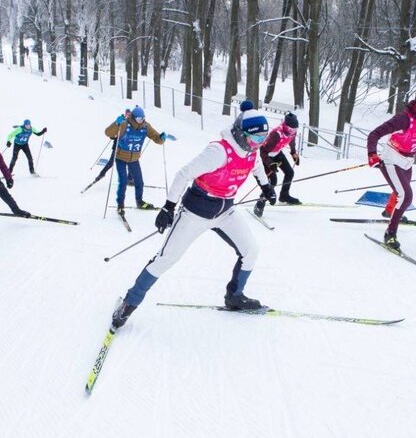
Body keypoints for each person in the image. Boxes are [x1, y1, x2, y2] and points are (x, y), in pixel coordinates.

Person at [109, 110, 275, 330]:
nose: (258, 144)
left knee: (251, 251)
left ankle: (235, 296)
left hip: (225, 212)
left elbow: (256, 166)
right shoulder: (219, 151)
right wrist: (168, 207)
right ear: (240, 133)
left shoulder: (251, 151)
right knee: (165, 259)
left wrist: (265, 185)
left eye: (262, 139)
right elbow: (184, 174)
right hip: (195, 212)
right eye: (255, 139)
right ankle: (128, 304)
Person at [366, 86, 416, 250]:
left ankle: (389, 212)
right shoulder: (405, 119)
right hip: (391, 159)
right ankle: (390, 234)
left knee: (400, 191)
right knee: (406, 196)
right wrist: (372, 154)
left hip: (407, 162)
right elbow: (374, 134)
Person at [103, 106, 166, 213]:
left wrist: (161, 138)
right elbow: (108, 133)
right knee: (122, 182)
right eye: (139, 119)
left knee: (139, 182)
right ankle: (120, 205)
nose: (141, 121)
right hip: (121, 158)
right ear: (133, 117)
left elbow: (156, 138)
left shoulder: (145, 126)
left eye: (143, 118)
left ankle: (139, 201)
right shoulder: (124, 124)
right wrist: (116, 123)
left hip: (134, 159)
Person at [254, 112, 301, 216]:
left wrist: (293, 153)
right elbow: (263, 151)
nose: (292, 132)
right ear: (285, 126)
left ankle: (284, 195)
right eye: (291, 130)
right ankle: (259, 204)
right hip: (266, 156)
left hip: (277, 153)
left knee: (289, 173)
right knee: (273, 181)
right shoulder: (276, 134)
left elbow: (291, 141)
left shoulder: (292, 132)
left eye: (295, 130)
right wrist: (270, 164)